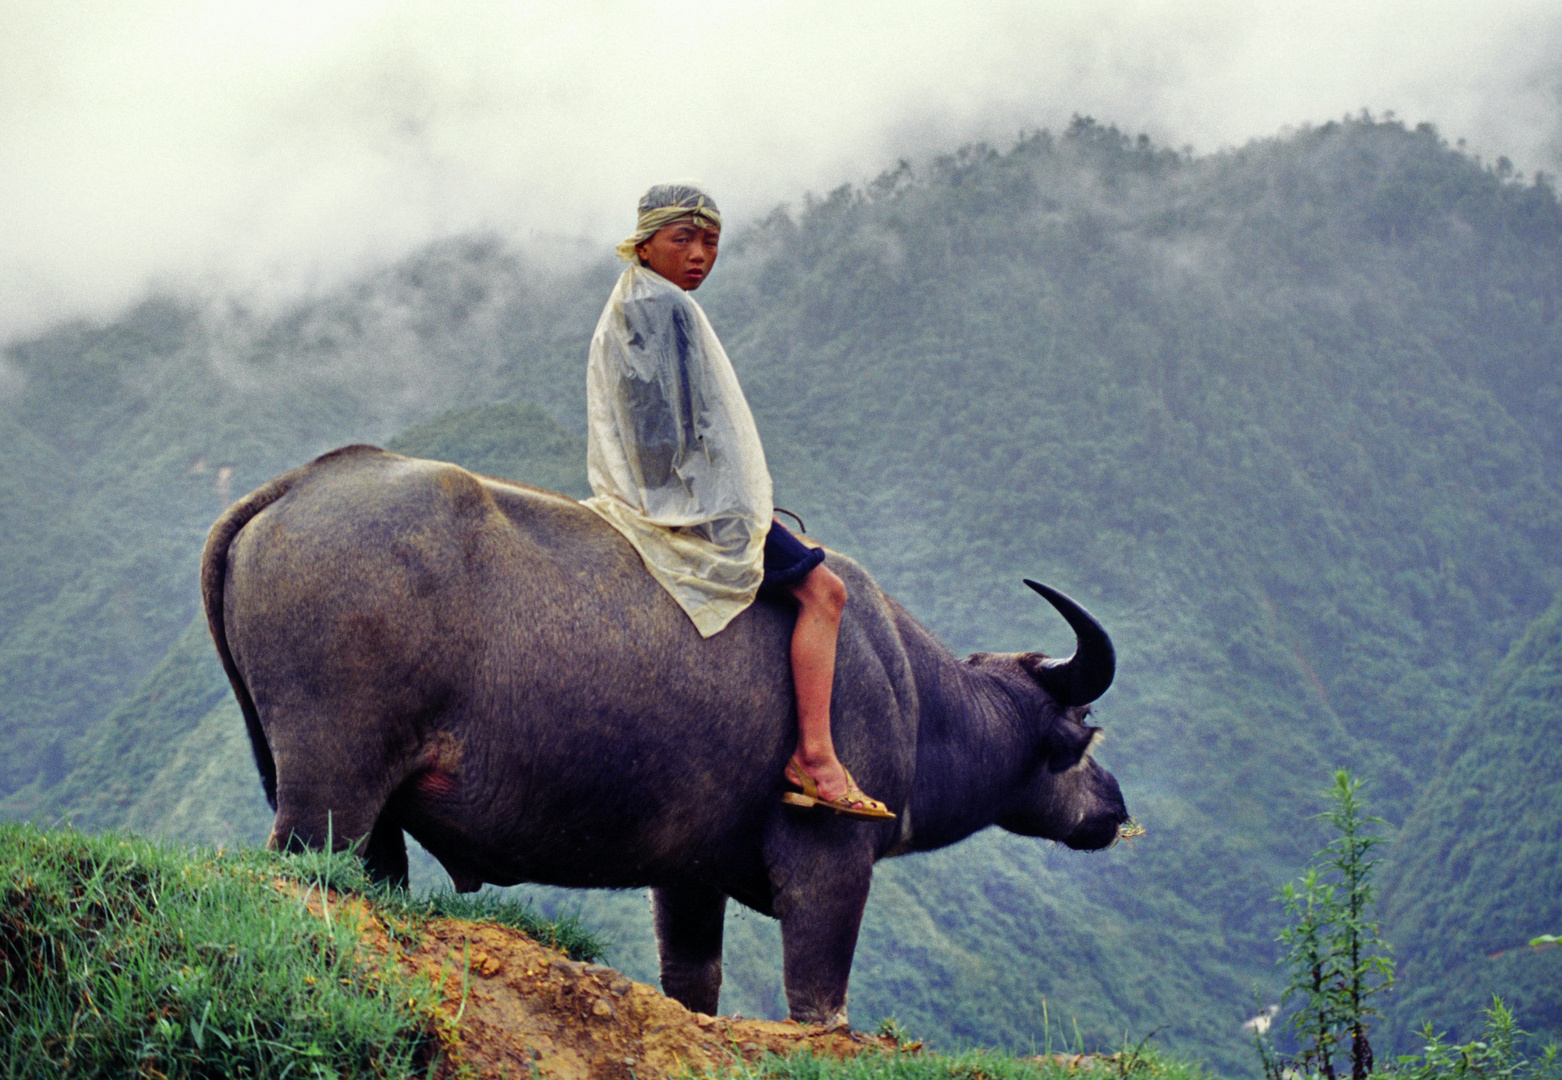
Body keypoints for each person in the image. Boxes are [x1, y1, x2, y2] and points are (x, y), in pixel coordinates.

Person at [583, 183, 892, 821]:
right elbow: (669, 434)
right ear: (646, 243)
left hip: (669, 493)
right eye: (683, 239)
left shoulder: (640, 299)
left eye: (711, 242)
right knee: (826, 593)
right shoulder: (661, 309)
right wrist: (723, 510)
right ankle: (815, 755)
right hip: (683, 504)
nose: (699, 254)